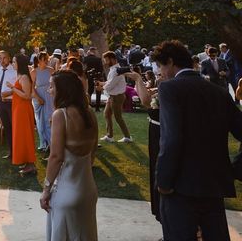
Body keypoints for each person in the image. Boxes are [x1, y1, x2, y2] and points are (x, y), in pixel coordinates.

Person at [154, 40, 242, 241]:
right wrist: (235, 167)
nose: (160, 72)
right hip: (213, 185)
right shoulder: (218, 92)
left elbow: (171, 138)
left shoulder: (170, 88)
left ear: (170, 62)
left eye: (160, 66)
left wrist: (164, 181)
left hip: (179, 185)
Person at [40, 70, 98, 241]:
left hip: (66, 193)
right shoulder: (90, 113)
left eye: (51, 87)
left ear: (62, 90)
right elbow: (92, 153)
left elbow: (56, 157)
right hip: (88, 190)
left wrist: (46, 190)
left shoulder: (61, 115)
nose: (49, 90)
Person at [133, 59, 163, 224]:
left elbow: (145, 101)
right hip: (156, 135)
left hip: (161, 137)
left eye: (160, 73)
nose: (159, 77)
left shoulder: (168, 89)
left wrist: (138, 79)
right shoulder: (162, 88)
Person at [98, 51, 139, 143]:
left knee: (118, 117)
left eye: (107, 60)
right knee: (107, 114)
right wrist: (102, 83)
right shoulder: (114, 70)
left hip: (117, 97)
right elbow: (109, 83)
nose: (105, 62)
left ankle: (127, 137)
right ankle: (110, 136)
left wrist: (101, 87)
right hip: (113, 96)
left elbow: (110, 85)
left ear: (112, 59)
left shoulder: (116, 70)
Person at [8, 54, 37, 175]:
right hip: (17, 108)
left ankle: (31, 164)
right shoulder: (19, 76)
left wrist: (12, 88)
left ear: (19, 63)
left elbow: (26, 95)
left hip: (23, 109)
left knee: (25, 135)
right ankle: (26, 161)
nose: (12, 64)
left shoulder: (24, 77)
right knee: (20, 135)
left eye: (14, 62)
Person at [0, 51, 15, 159]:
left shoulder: (15, 71)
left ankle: (18, 152)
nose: (2, 60)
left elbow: (19, 88)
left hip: (11, 103)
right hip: (0, 103)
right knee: (7, 129)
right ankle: (11, 152)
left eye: (4, 58)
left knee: (14, 128)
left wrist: (9, 93)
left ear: (9, 58)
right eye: (0, 58)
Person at [31, 52, 54, 152]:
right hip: (38, 96)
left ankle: (51, 142)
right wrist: (38, 98)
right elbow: (31, 88)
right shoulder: (34, 72)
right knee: (40, 121)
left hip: (49, 96)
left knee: (49, 119)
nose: (46, 61)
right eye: (44, 59)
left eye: (47, 59)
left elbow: (55, 84)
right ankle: (43, 143)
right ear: (39, 60)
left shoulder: (51, 70)